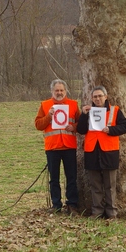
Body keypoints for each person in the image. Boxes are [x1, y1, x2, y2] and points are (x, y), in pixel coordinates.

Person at [77, 85, 126, 219]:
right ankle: (97, 212)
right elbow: (81, 130)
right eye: (95, 96)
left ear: (106, 97)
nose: (98, 98)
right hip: (92, 151)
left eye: (100, 96)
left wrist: (111, 130)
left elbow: (125, 126)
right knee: (95, 185)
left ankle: (112, 213)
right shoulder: (88, 111)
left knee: (110, 185)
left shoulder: (115, 110)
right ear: (92, 98)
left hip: (109, 152)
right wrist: (83, 115)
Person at [35, 79, 80, 215]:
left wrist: (74, 127)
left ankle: (72, 205)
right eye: (57, 90)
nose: (59, 93)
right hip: (52, 147)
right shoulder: (45, 105)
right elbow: (38, 125)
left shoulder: (73, 105)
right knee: (54, 178)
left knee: (71, 177)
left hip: (69, 146)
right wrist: (49, 116)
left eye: (61, 90)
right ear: (52, 91)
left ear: (65, 91)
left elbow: (81, 123)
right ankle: (56, 205)